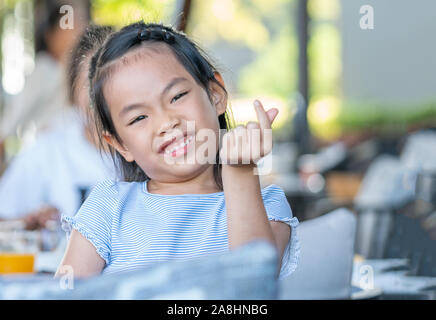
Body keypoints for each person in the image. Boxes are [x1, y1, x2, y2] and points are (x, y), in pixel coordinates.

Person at [56, 22, 300, 279]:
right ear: (121, 144)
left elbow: (252, 288)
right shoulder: (107, 207)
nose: (166, 123)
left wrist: (240, 172)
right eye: (139, 118)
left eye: (176, 96)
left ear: (215, 94)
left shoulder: (265, 205)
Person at [0, 25, 115, 230]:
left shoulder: (152, 155)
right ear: (72, 91)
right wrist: (28, 222)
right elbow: (5, 216)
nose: (101, 95)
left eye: (113, 80)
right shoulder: (47, 150)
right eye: (90, 83)